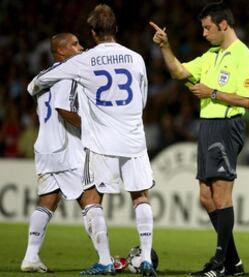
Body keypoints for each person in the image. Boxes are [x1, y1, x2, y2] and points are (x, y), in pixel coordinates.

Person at [27, 4, 157, 276]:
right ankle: (145, 258)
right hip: (133, 138)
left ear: (93, 32)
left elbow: (44, 78)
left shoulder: (83, 60)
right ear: (116, 29)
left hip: (101, 142)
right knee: (140, 196)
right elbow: (143, 98)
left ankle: (105, 261)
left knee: (92, 198)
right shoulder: (136, 58)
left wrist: (33, 86)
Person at [150, 2, 249, 276]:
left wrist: (213, 93)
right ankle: (233, 262)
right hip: (208, 126)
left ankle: (220, 263)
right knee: (206, 197)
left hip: (227, 125)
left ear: (224, 25)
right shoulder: (210, 55)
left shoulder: (243, 56)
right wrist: (165, 46)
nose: (203, 33)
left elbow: (248, 100)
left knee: (221, 196)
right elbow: (179, 73)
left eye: (207, 27)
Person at [21, 32, 85, 273]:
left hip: (44, 146)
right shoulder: (69, 75)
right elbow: (63, 109)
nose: (81, 47)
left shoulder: (42, 77)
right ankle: (105, 258)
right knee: (90, 200)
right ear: (61, 51)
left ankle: (30, 257)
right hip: (66, 147)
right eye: (75, 44)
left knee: (48, 200)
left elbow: (30, 87)